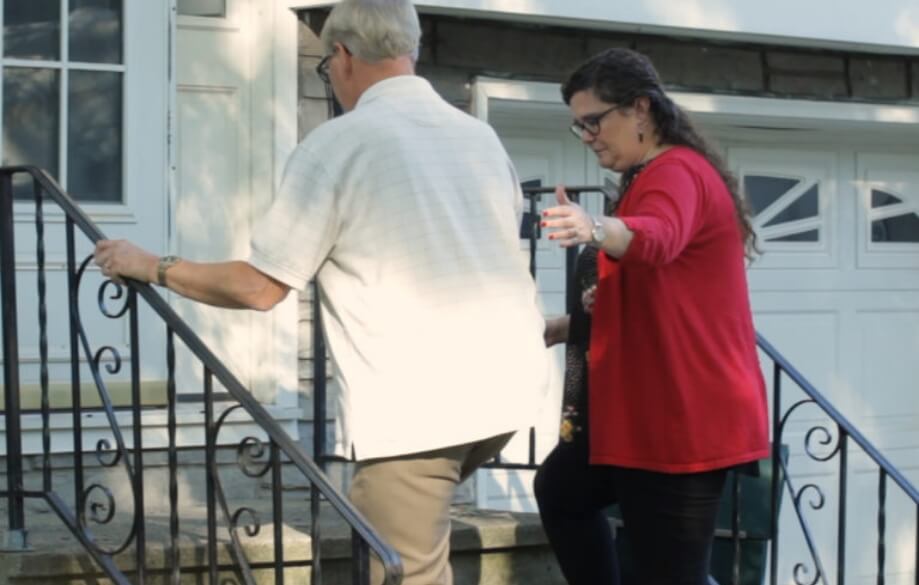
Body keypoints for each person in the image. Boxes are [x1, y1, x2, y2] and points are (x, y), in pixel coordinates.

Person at [93, 1, 550, 583]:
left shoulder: (341, 142)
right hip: (506, 392)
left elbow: (260, 287)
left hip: (425, 406)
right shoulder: (479, 137)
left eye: (326, 67)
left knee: (401, 572)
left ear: (341, 55)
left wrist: (153, 265)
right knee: (394, 535)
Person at [536, 48, 769, 585]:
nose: (588, 135)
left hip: (682, 422)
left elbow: (655, 240)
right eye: (579, 127)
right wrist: (565, 328)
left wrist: (593, 227)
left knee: (669, 575)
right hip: (640, 416)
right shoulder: (646, 178)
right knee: (562, 490)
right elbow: (658, 296)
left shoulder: (677, 173)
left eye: (594, 121)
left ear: (640, 109)